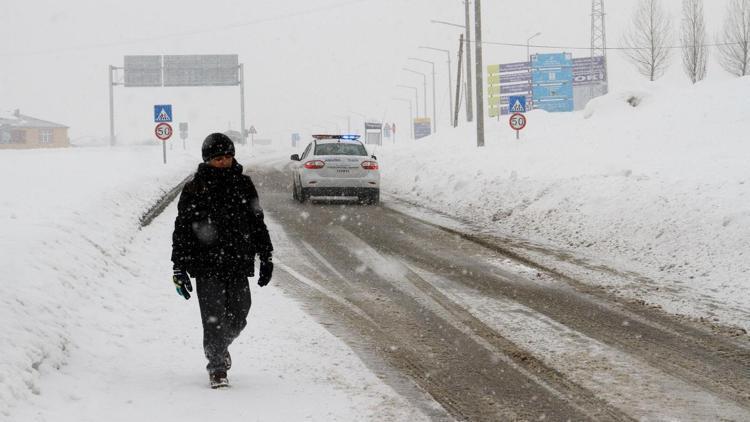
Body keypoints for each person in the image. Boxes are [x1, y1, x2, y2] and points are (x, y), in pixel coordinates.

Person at [171, 132, 273, 389]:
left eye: (228, 156)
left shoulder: (244, 184)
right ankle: (217, 367)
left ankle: (219, 346)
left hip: (238, 261)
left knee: (240, 314)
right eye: (218, 158)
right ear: (207, 160)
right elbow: (182, 228)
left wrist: (266, 255)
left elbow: (256, 221)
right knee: (213, 317)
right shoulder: (195, 188)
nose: (224, 161)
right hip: (206, 264)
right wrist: (179, 266)